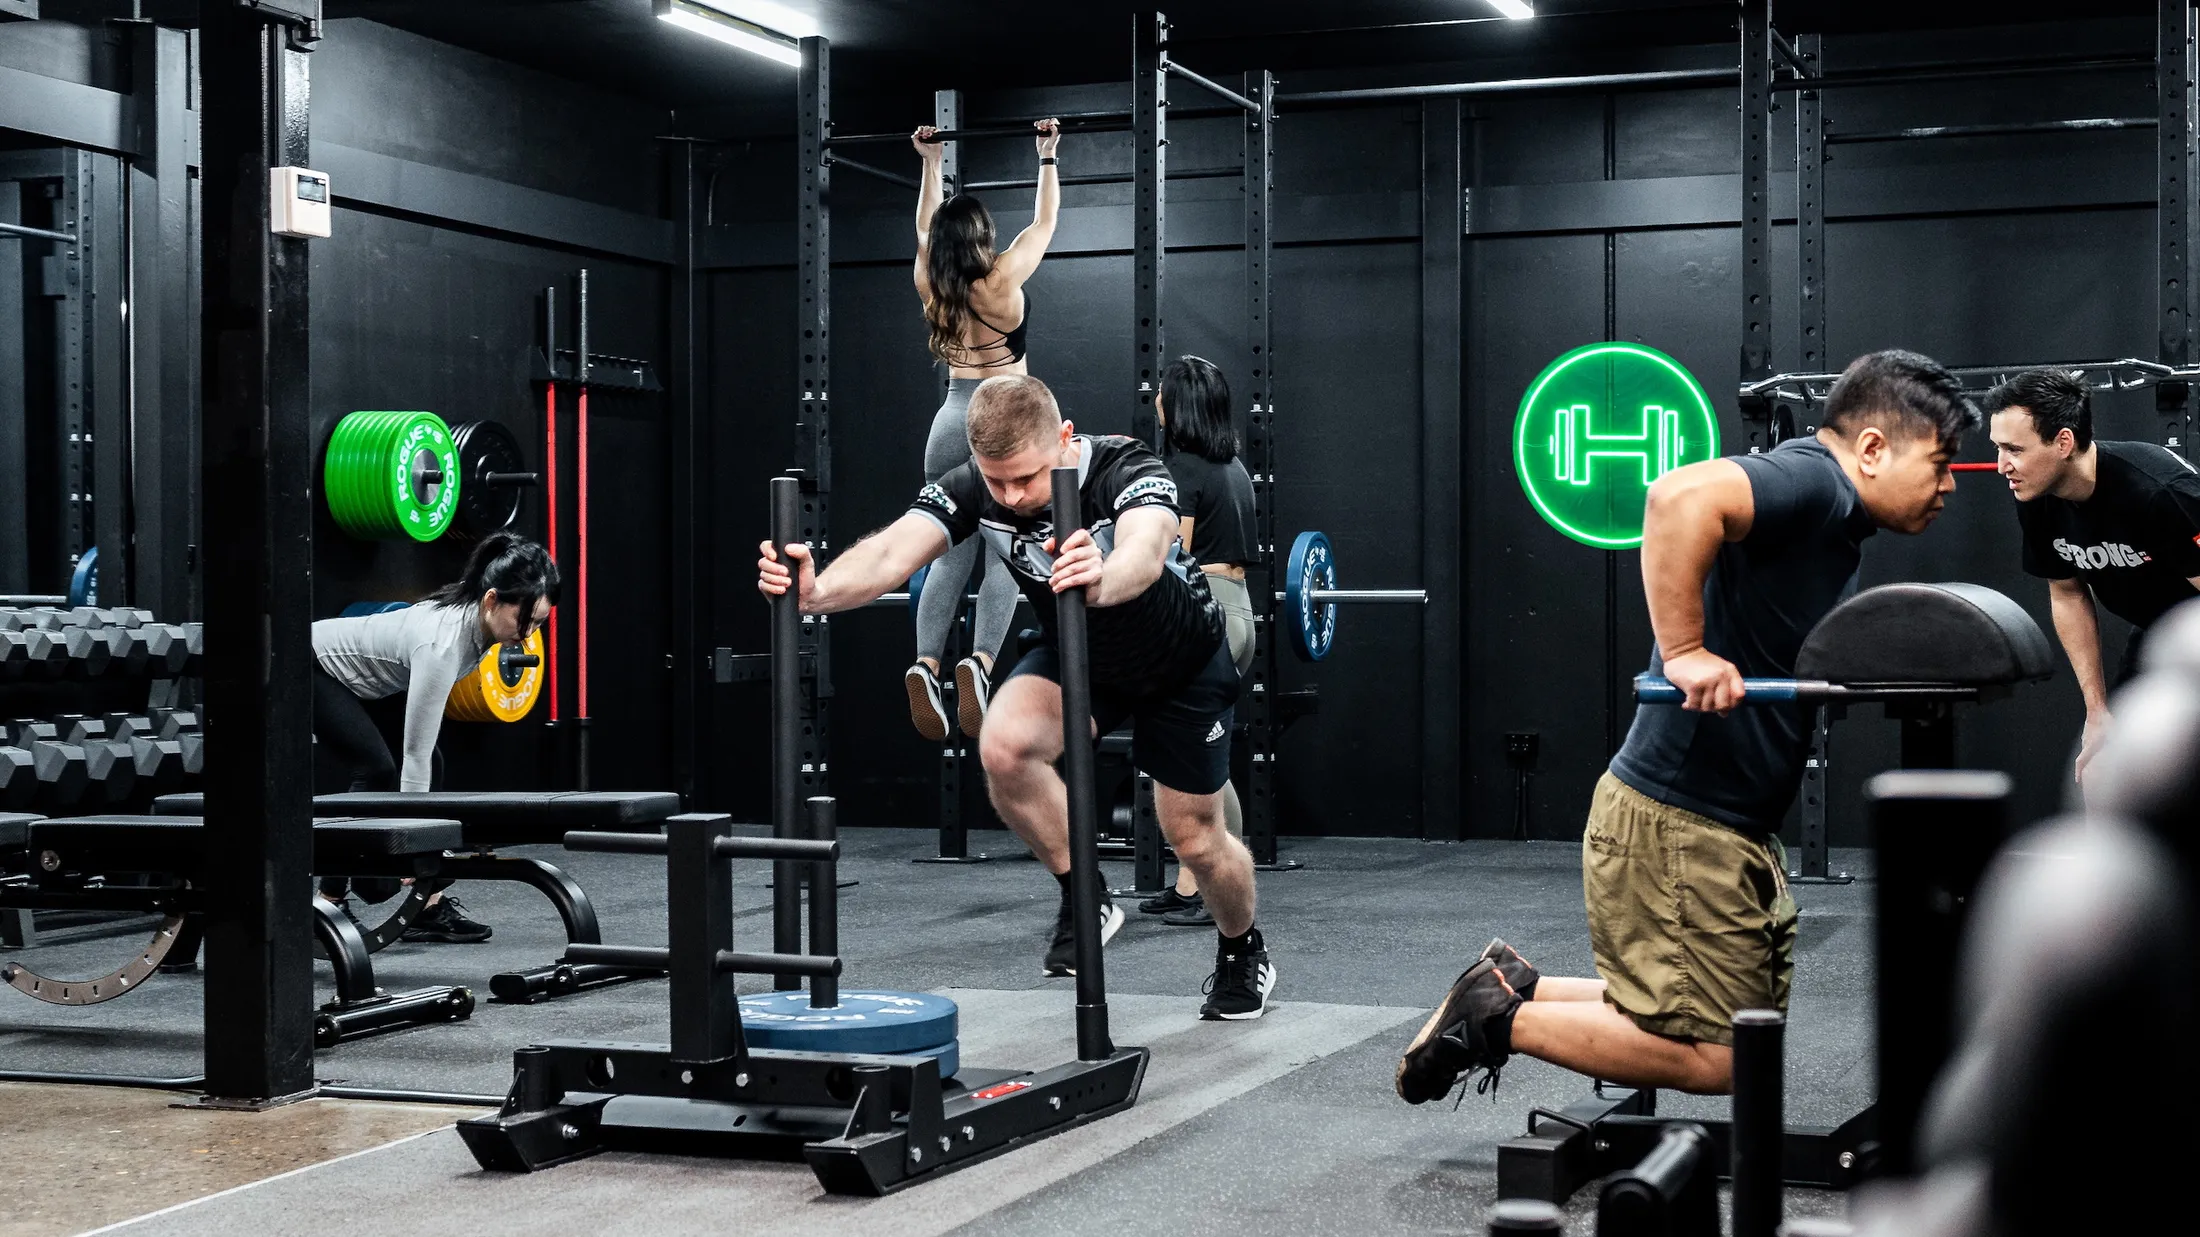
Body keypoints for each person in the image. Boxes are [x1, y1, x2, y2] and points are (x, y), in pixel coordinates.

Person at [1394, 350, 1976, 1103]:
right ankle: (1494, 1019)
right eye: (1941, 461)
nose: (1950, 485)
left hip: (1711, 821)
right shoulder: (1815, 481)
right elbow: (1676, 497)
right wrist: (1686, 651)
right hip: (1681, 820)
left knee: (1738, 1025)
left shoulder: (1834, 514)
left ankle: (1510, 985)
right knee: (1717, 1057)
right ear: (1871, 448)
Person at [759, 374, 1279, 1019]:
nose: (1011, 496)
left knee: (1194, 838)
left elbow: (1146, 550)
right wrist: (818, 593)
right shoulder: (975, 486)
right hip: (1076, 648)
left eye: (1027, 479)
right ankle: (1085, 891)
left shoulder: (1128, 465)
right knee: (1004, 747)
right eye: (996, 480)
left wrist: (1101, 576)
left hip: (1179, 660)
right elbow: (896, 549)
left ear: (1064, 440)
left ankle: (1242, 949)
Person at [311, 531, 560, 944]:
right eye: (525, 620)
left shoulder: (474, 619)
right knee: (376, 769)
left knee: (434, 764)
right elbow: (414, 755)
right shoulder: (443, 645)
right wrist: (411, 840)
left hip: (369, 683)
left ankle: (426, 904)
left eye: (537, 624)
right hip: (310, 665)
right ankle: (328, 904)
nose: (529, 635)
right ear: (492, 600)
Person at [903, 118, 1063, 742]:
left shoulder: (929, 280)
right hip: (1004, 416)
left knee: (948, 551)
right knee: (1006, 551)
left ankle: (925, 661)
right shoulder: (999, 281)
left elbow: (924, 226)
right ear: (982, 237)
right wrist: (1046, 156)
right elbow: (1044, 224)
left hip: (948, 419)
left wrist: (930, 161)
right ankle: (982, 660)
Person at [1984, 367, 2200, 781]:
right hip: (2157, 630)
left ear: (2063, 441)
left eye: (2014, 449)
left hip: (2191, 631)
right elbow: (2068, 593)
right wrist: (2097, 711)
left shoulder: (2160, 493)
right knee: (2106, 764)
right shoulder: (2036, 495)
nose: (2001, 466)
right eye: (1998, 448)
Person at [1138, 356, 1258, 929]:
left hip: (1201, 611)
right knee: (1199, 755)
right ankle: (1192, 885)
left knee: (1193, 761)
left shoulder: (1179, 469)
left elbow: (1167, 557)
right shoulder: (1233, 467)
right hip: (1239, 612)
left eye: (1161, 394)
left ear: (1174, 406)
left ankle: (1222, 875)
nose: (1155, 401)